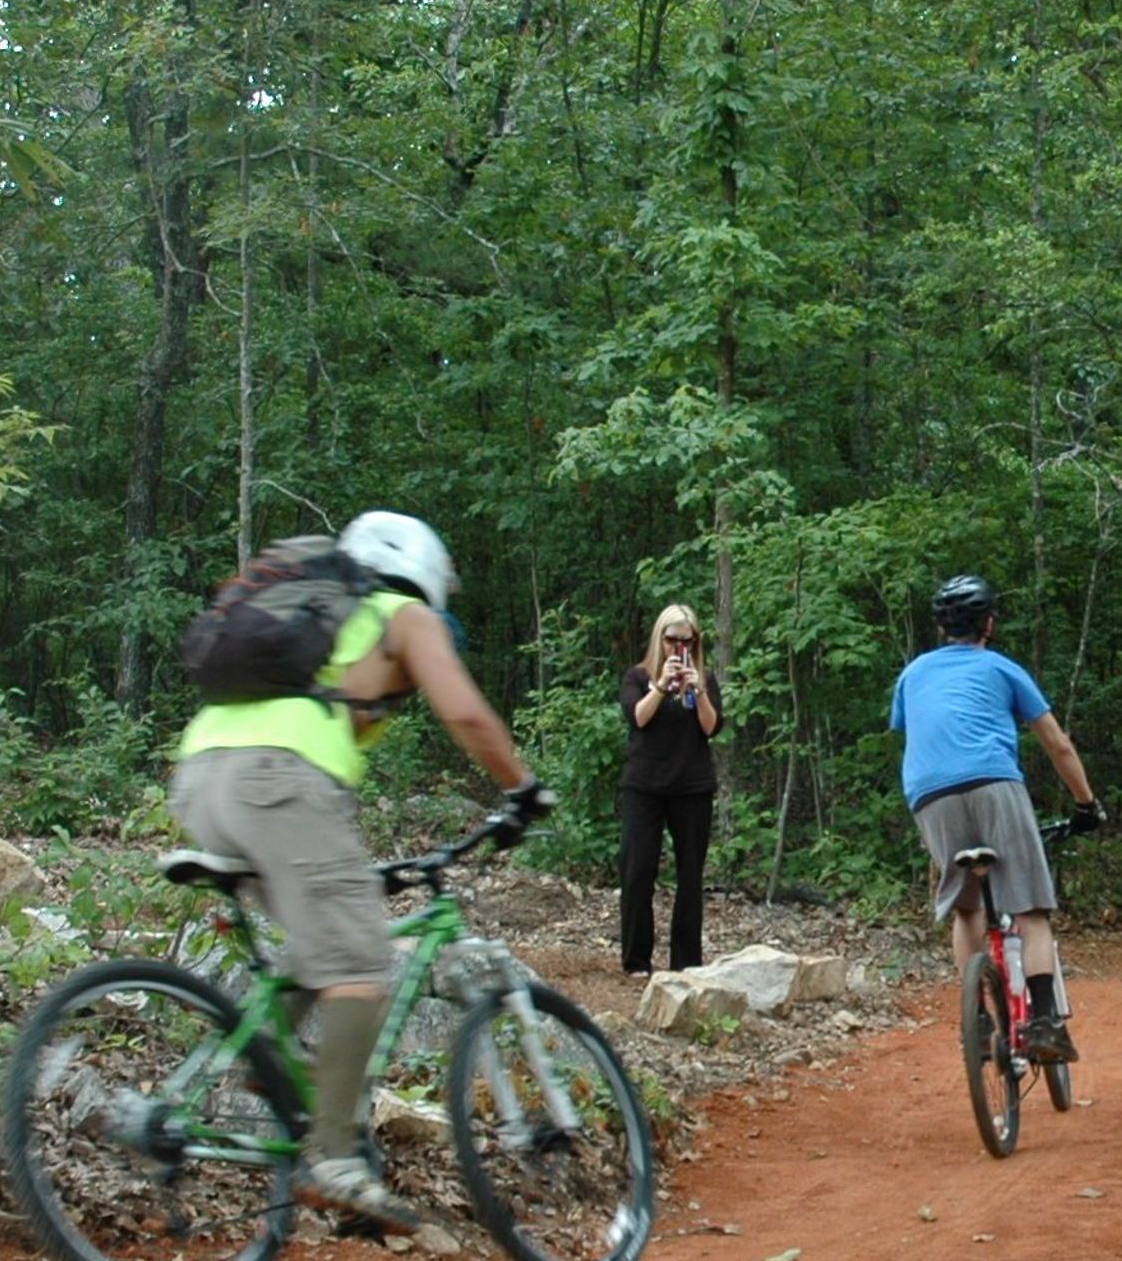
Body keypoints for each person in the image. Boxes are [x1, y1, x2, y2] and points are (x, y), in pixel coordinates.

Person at [169, 510, 550, 1223]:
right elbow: (465, 714)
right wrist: (522, 789)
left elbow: (347, 717)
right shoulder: (401, 613)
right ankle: (334, 1156)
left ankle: (270, 1066)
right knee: (361, 964)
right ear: (427, 573)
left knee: (323, 944)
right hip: (279, 780)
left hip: (200, 778)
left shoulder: (323, 624)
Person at [891, 574, 1104, 1062]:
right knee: (1029, 909)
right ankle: (1046, 1025)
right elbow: (1058, 743)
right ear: (989, 623)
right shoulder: (1002, 669)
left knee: (968, 908)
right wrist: (1087, 804)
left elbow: (914, 730)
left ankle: (978, 1021)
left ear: (941, 628)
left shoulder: (913, 674)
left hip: (928, 793)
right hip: (994, 782)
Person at [619, 602, 721, 975]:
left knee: (690, 875)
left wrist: (700, 691)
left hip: (692, 786)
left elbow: (712, 728)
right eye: (672, 639)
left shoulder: (704, 679)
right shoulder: (637, 676)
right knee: (637, 871)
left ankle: (687, 963)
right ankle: (636, 960)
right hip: (644, 785)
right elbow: (637, 718)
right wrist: (662, 686)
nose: (679, 647)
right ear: (659, 637)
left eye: (687, 640)